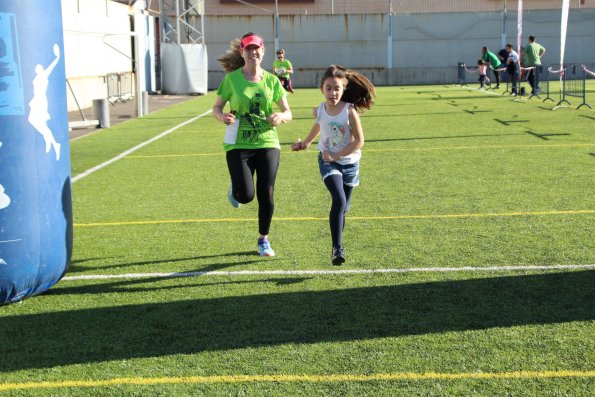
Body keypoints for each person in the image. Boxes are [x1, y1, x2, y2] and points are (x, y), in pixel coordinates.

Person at [213, 32, 292, 257]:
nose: (253, 52)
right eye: (248, 48)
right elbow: (216, 108)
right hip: (238, 143)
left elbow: (288, 112)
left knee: (266, 193)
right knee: (246, 196)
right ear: (242, 52)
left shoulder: (272, 80)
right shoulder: (232, 80)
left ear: (263, 51)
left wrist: (280, 117)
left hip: (267, 141)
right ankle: (236, 189)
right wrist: (222, 117)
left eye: (256, 48)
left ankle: (263, 240)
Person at [291, 65, 375, 266]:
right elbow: (320, 124)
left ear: (344, 88)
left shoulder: (349, 111)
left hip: (350, 163)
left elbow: (359, 141)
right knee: (338, 200)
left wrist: (338, 154)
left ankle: (338, 239)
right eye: (328, 88)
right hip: (328, 161)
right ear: (322, 88)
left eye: (337, 88)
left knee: (344, 208)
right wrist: (305, 144)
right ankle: (337, 248)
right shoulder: (320, 109)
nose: (333, 93)